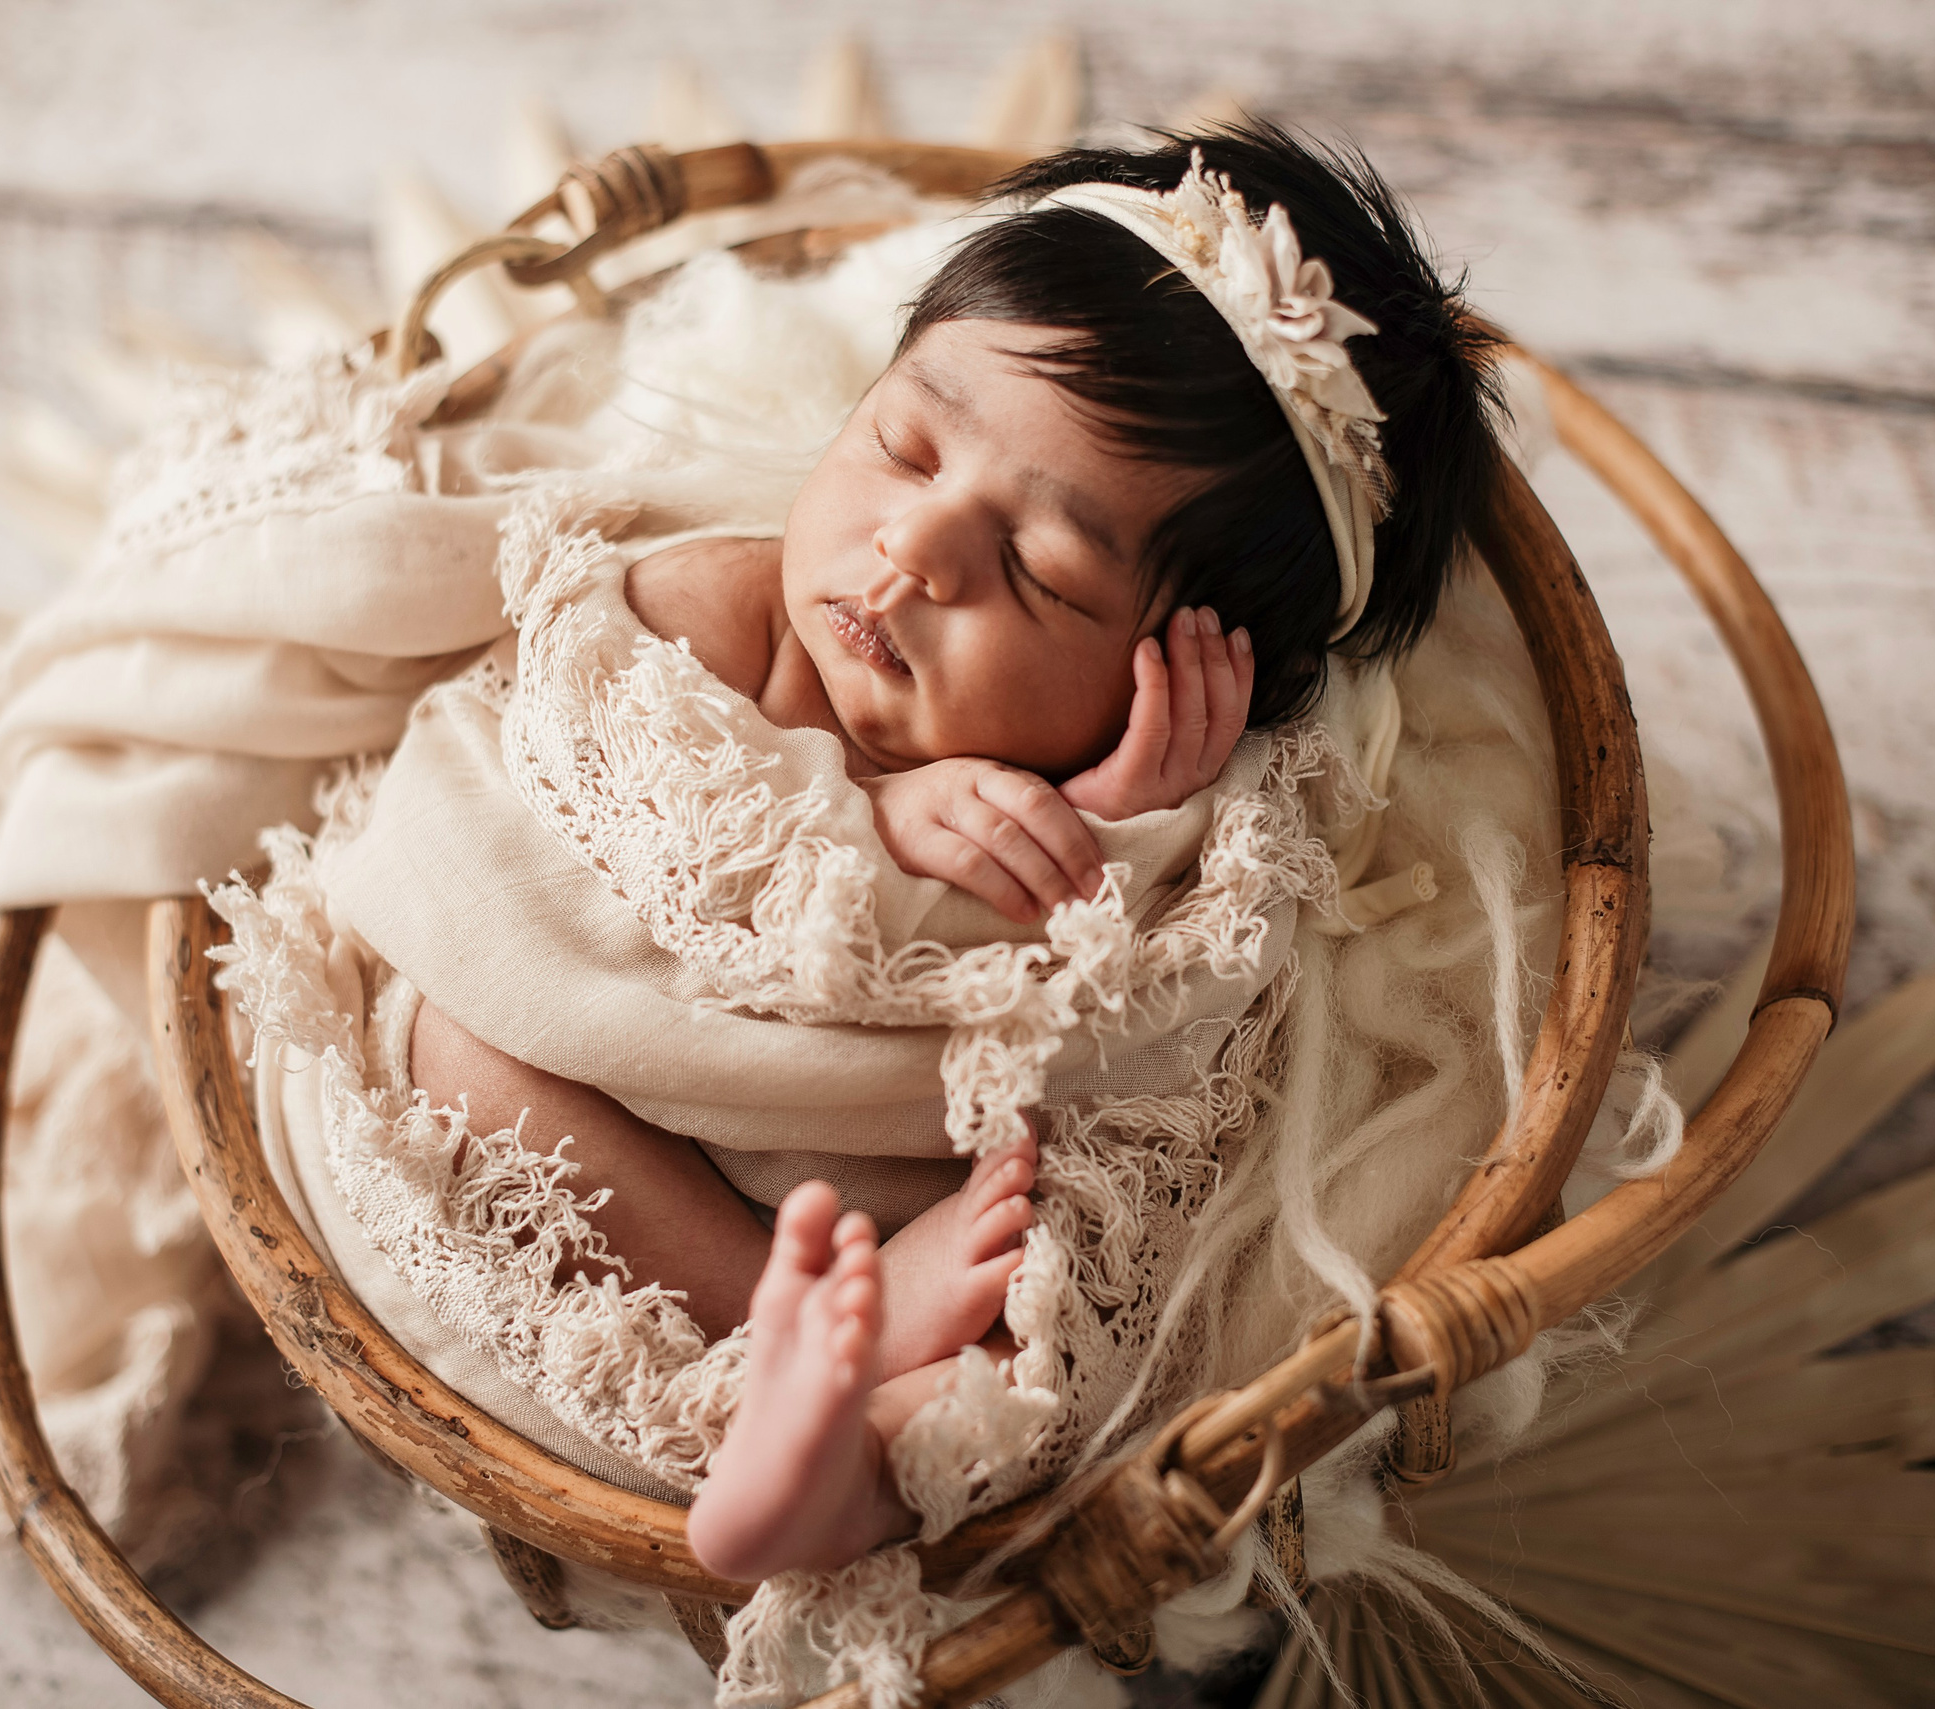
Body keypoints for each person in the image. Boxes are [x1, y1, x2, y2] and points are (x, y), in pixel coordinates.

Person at [405, 122, 1504, 1581]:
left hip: (910, 1185)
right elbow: (569, 791)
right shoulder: (715, 600)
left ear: (1178, 672)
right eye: (903, 444)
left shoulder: (1179, 795)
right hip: (629, 1113)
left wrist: (1117, 813)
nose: (913, 548)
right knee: (461, 1037)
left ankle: (841, 1470)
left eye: (1041, 572)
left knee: (1068, 1305)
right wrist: (862, 819)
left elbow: (1130, 1014)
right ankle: (763, 1324)